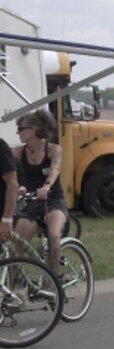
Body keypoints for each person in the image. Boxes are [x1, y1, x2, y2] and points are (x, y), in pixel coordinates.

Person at [13, 111, 68, 268]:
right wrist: (18, 186)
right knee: (17, 246)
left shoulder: (53, 149)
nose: (17, 132)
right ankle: (16, 286)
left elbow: (55, 168)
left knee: (54, 236)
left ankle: (53, 281)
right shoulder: (17, 152)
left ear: (33, 130)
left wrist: (46, 185)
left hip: (53, 201)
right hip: (29, 203)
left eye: (21, 128)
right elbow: (9, 172)